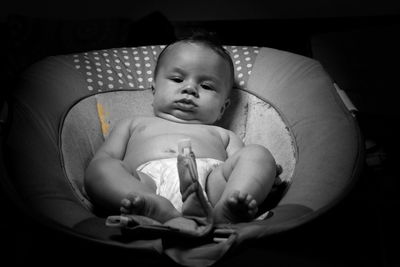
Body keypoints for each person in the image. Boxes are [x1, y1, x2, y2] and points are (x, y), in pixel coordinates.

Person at [84, 33, 277, 224]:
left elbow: (240, 167)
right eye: (177, 79)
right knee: (101, 168)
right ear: (154, 90)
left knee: (258, 154)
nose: (190, 89)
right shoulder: (133, 123)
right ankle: (152, 206)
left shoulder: (224, 135)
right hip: (147, 184)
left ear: (223, 108)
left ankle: (229, 207)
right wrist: (120, 180)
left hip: (211, 186)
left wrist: (262, 176)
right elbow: (106, 157)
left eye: (207, 86)